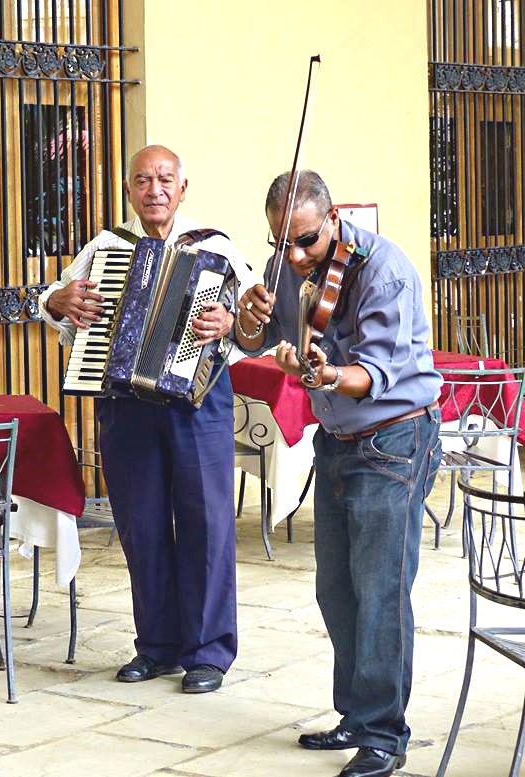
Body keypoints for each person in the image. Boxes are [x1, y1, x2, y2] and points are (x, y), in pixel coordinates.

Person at [234, 170, 442, 777]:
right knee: (336, 588)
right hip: (339, 440)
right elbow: (252, 340)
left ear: (332, 220)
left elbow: (374, 375)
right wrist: (248, 317)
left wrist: (325, 374)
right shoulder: (285, 267)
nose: (294, 256)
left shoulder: (384, 269)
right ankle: (355, 713)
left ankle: (383, 735)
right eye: (282, 243)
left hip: (394, 438)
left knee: (381, 589)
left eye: (305, 241)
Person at [39, 144, 258, 693]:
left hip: (199, 403)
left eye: (165, 179)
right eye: (143, 180)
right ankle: (156, 647)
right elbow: (55, 303)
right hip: (124, 404)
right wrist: (59, 301)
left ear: (183, 188)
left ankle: (208, 654)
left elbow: (257, 321)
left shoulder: (219, 247)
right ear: (131, 190)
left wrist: (230, 322)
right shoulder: (109, 246)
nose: (154, 190)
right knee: (142, 524)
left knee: (207, 524)